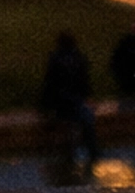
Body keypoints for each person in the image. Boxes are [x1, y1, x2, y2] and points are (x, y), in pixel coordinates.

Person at [40, 30, 97, 160]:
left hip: (62, 102)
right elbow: (84, 82)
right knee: (85, 122)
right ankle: (92, 152)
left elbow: (49, 83)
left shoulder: (55, 58)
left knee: (70, 126)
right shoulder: (78, 58)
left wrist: (45, 105)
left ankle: (71, 154)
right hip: (72, 102)